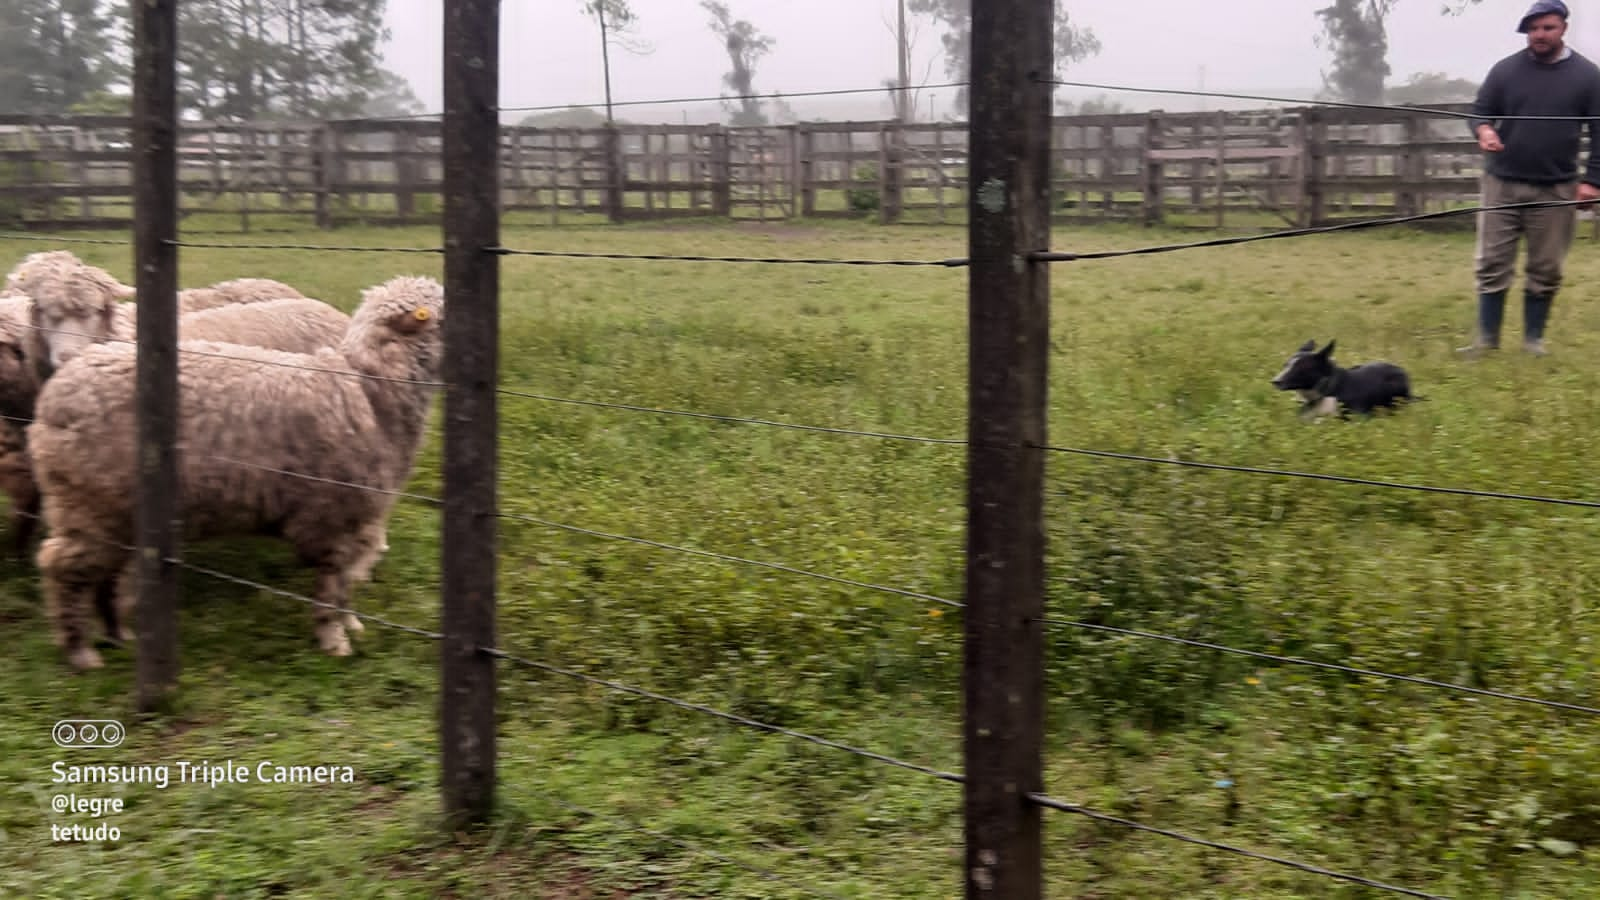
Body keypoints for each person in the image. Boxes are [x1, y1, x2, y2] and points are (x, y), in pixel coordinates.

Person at [1463, 0, 1600, 356]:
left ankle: (1532, 341)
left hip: (1556, 186)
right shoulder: (1505, 71)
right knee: (1492, 262)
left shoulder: (1588, 77)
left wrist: (1593, 181)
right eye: (1533, 29)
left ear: (1563, 29)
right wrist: (1483, 131)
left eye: (1547, 28)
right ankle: (1486, 342)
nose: (1539, 35)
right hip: (1502, 182)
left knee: (1546, 266)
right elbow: (1480, 112)